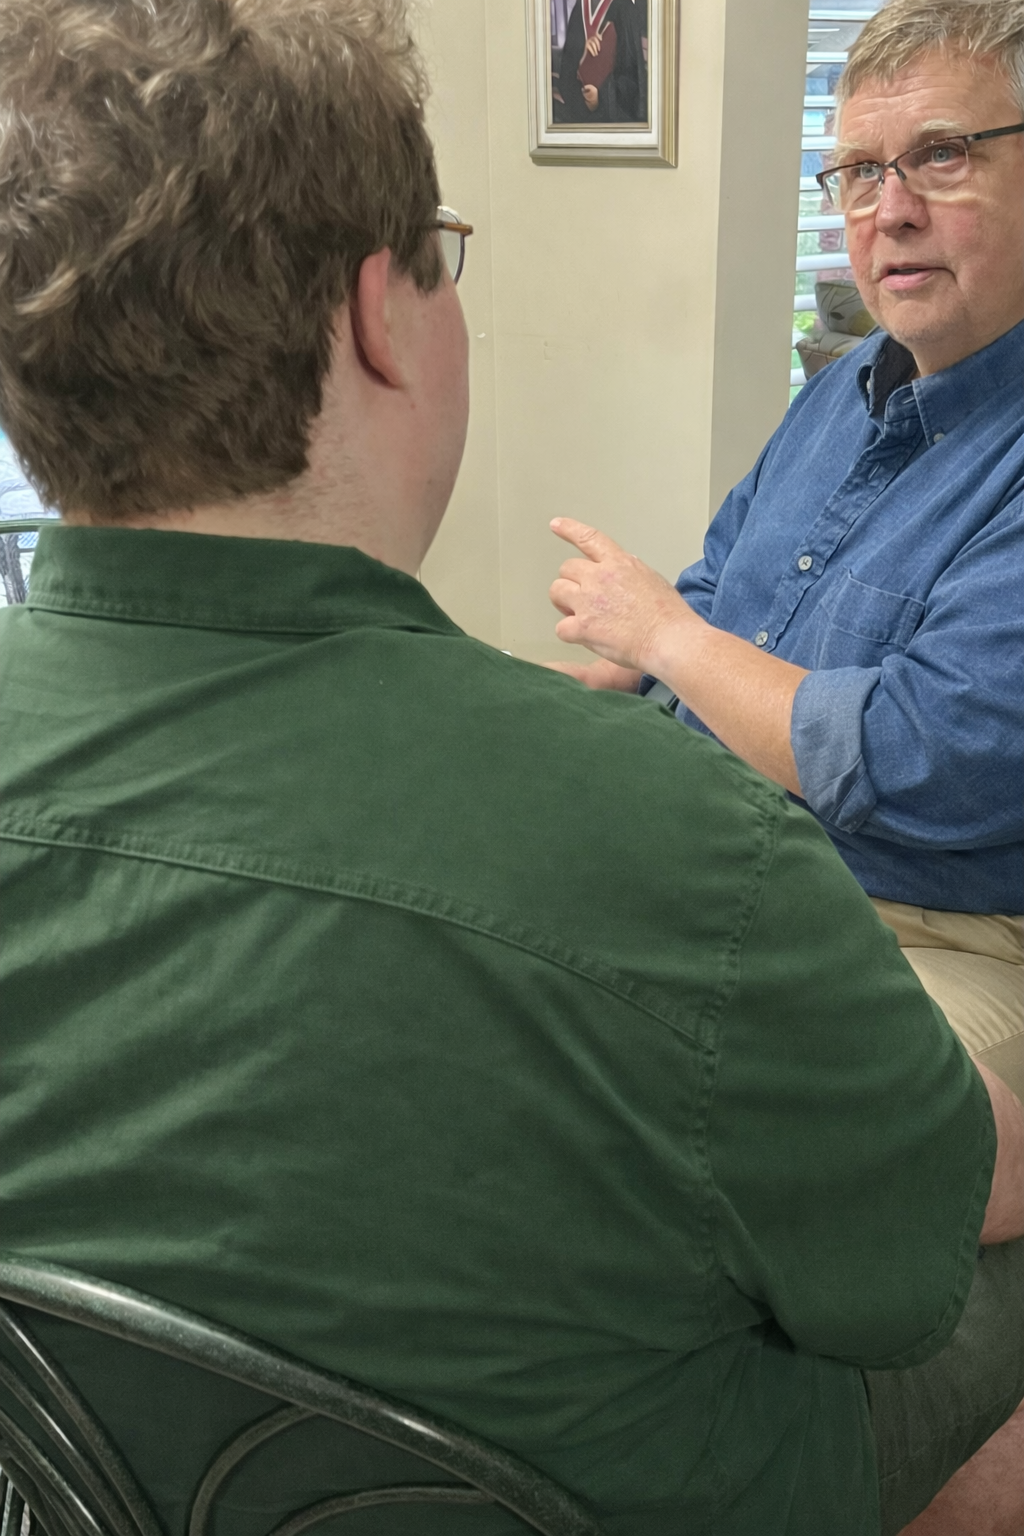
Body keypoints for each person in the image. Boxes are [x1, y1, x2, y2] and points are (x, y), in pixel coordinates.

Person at [0, 3, 1021, 1533]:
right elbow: (901, 1261)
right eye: (445, 252)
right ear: (379, 319)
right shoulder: (692, 860)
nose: (885, 207)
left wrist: (665, 662)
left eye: (938, 157)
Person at [547, 0, 1024, 1104]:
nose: (888, 211)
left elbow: (921, 760)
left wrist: (667, 638)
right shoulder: (836, 397)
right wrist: (645, 662)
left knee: (695, 1095)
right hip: (734, 865)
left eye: (939, 157)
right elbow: (722, 590)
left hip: (943, 930)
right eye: (857, 171)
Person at [554, 0, 647, 124]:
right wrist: (582, 50)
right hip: (578, 108)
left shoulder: (625, 9)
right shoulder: (580, 7)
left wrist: (600, 98)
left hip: (612, 115)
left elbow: (632, 77)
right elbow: (567, 65)